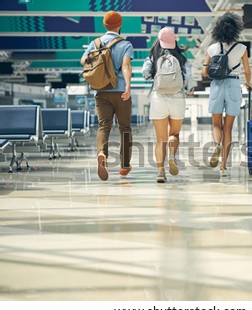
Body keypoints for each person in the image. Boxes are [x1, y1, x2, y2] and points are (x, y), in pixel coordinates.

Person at [80, 11, 134, 181]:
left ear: (105, 25)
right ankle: (125, 165)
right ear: (119, 25)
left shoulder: (94, 43)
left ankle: (102, 153)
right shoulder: (125, 44)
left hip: (101, 91)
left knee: (104, 126)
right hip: (119, 92)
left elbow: (83, 61)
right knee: (125, 128)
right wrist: (127, 86)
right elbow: (126, 65)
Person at [202, 12, 252, 177]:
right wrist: (248, 84)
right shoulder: (242, 48)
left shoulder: (212, 48)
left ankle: (216, 144)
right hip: (233, 84)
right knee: (228, 128)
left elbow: (204, 73)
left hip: (217, 85)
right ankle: (224, 164)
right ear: (235, 29)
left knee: (217, 124)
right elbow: (247, 71)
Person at [142, 27, 193, 183]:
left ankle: (160, 172)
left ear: (159, 41)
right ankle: (172, 155)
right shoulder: (183, 59)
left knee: (160, 139)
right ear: (174, 42)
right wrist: (186, 89)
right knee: (174, 134)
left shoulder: (153, 56)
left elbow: (145, 73)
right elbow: (189, 81)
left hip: (159, 99)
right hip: (177, 98)